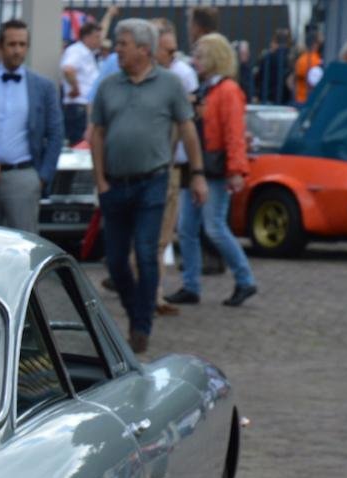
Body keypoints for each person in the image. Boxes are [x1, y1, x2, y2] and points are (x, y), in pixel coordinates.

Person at [90, 19, 207, 353]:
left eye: (123, 44)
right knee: (116, 262)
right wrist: (100, 180)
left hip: (152, 181)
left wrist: (197, 173)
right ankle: (135, 311)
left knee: (145, 253)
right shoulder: (108, 86)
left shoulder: (169, 84)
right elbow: (97, 133)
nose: (116, 49)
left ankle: (141, 326)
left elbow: (188, 129)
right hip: (114, 184)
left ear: (143, 49)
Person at [167, 33, 256, 309]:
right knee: (189, 228)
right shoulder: (210, 89)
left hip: (212, 167)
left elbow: (234, 133)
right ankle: (192, 285)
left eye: (200, 56)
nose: (195, 61)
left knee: (213, 227)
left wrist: (236, 169)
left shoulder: (225, 90)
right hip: (202, 166)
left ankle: (244, 279)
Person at [0, 19, 62, 233]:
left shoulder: (42, 87)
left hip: (23, 175)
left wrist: (42, 177)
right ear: (0, 46)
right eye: (12, 44)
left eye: (22, 45)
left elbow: (56, 133)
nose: (17, 50)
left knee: (23, 243)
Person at [152, 18, 198, 313]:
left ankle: (152, 295)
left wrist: (197, 171)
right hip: (141, 170)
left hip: (171, 168)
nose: (174, 57)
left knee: (162, 238)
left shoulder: (179, 75)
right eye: (168, 51)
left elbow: (189, 123)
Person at [59, 20, 100, 145]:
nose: (99, 40)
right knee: (79, 145)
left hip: (84, 107)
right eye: (96, 37)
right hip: (78, 107)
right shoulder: (77, 50)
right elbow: (68, 69)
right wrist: (75, 88)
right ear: (86, 37)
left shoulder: (87, 53)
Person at [255, 28, 293, 104]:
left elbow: (259, 77)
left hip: (267, 97)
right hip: (285, 99)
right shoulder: (290, 58)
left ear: (275, 41)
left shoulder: (267, 58)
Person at [295, 29, 323, 105]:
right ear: (315, 44)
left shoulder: (300, 59)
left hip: (299, 99)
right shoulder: (317, 60)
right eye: (320, 43)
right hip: (311, 101)